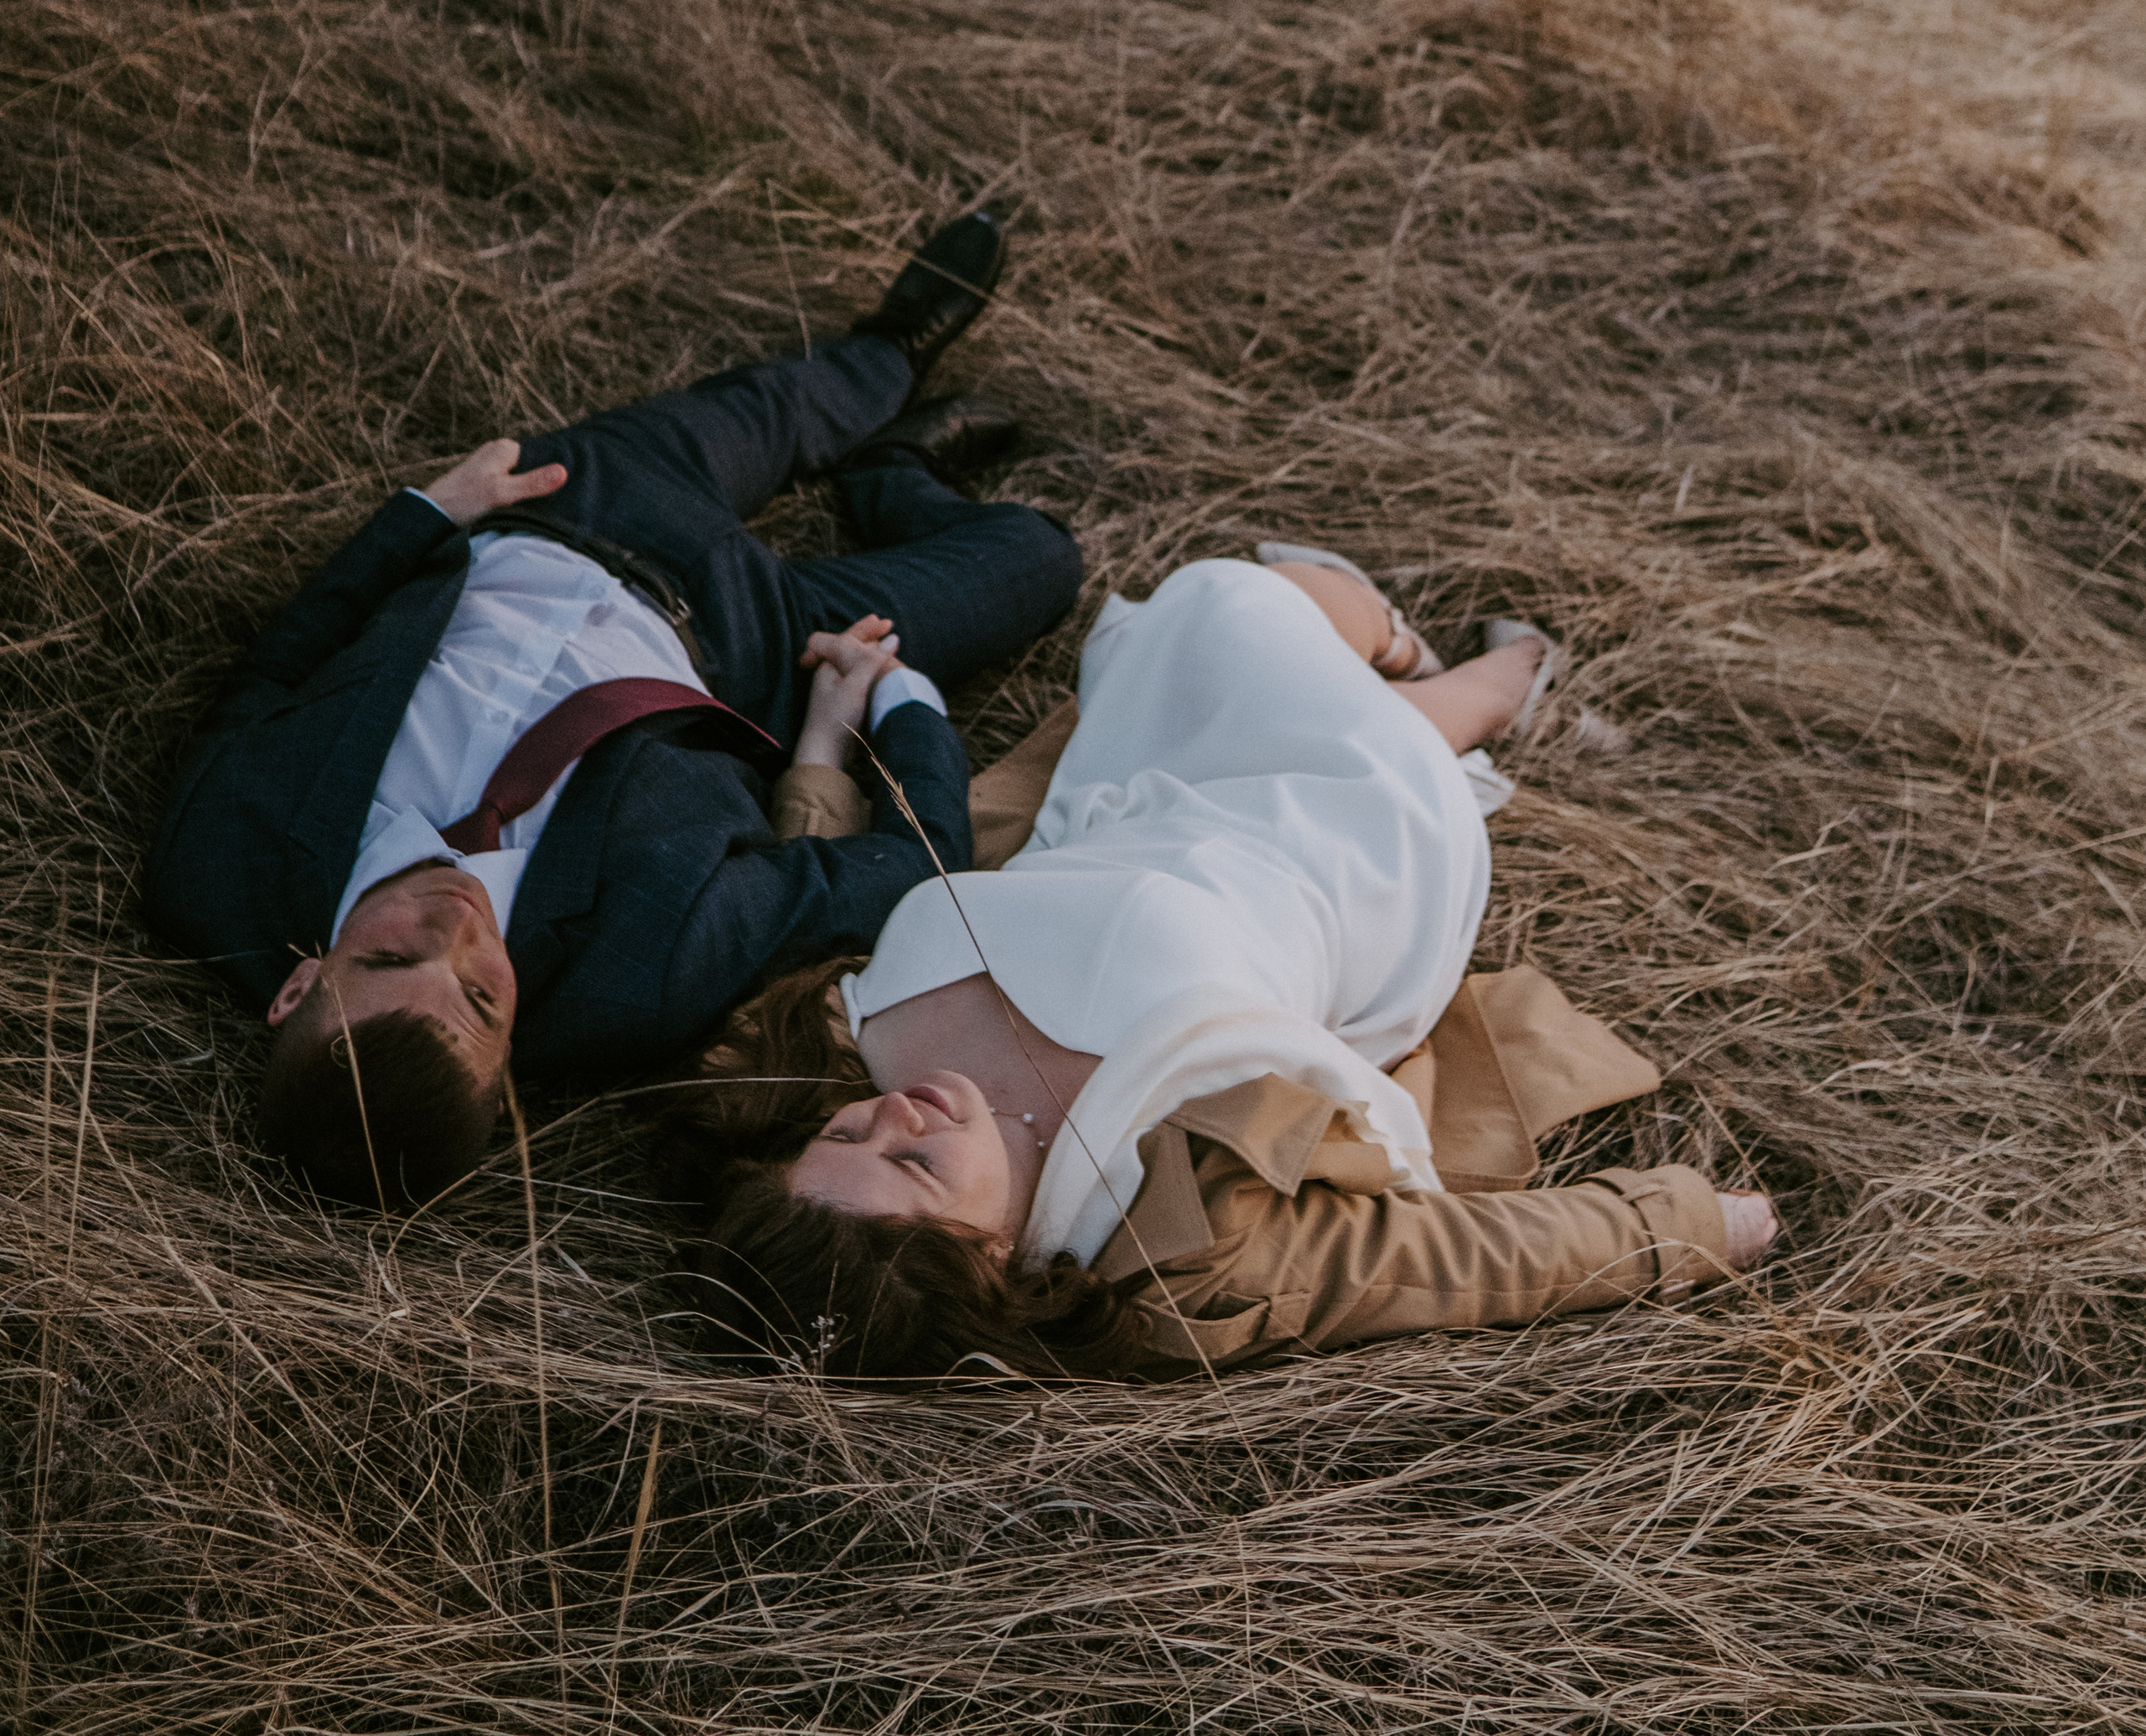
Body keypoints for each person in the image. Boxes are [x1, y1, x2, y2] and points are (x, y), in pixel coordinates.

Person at [146, 212, 1081, 1207]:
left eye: (390, 953)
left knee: (783, 405)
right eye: (479, 995)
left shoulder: (216, 859)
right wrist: (892, 697)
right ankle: (894, 478)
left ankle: (888, 352)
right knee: (1033, 560)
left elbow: (275, 667)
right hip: (750, 637)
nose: (454, 929)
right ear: (506, 1060)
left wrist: (422, 516)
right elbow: (907, 870)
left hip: (564, 515)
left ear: (300, 986)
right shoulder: (641, 969)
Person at [656, 552, 1780, 1376]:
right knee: (1292, 652)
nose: (897, 1113)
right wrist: (1693, 1226)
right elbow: (1447, 1259)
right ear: (992, 1262)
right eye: (916, 1168)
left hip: (1127, 811)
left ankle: (1392, 653)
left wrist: (825, 736)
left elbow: (813, 890)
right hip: (1341, 872)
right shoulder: (1179, 1246)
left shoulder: (814, 1048)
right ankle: (1497, 683)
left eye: (848, 1134)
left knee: (1213, 602)